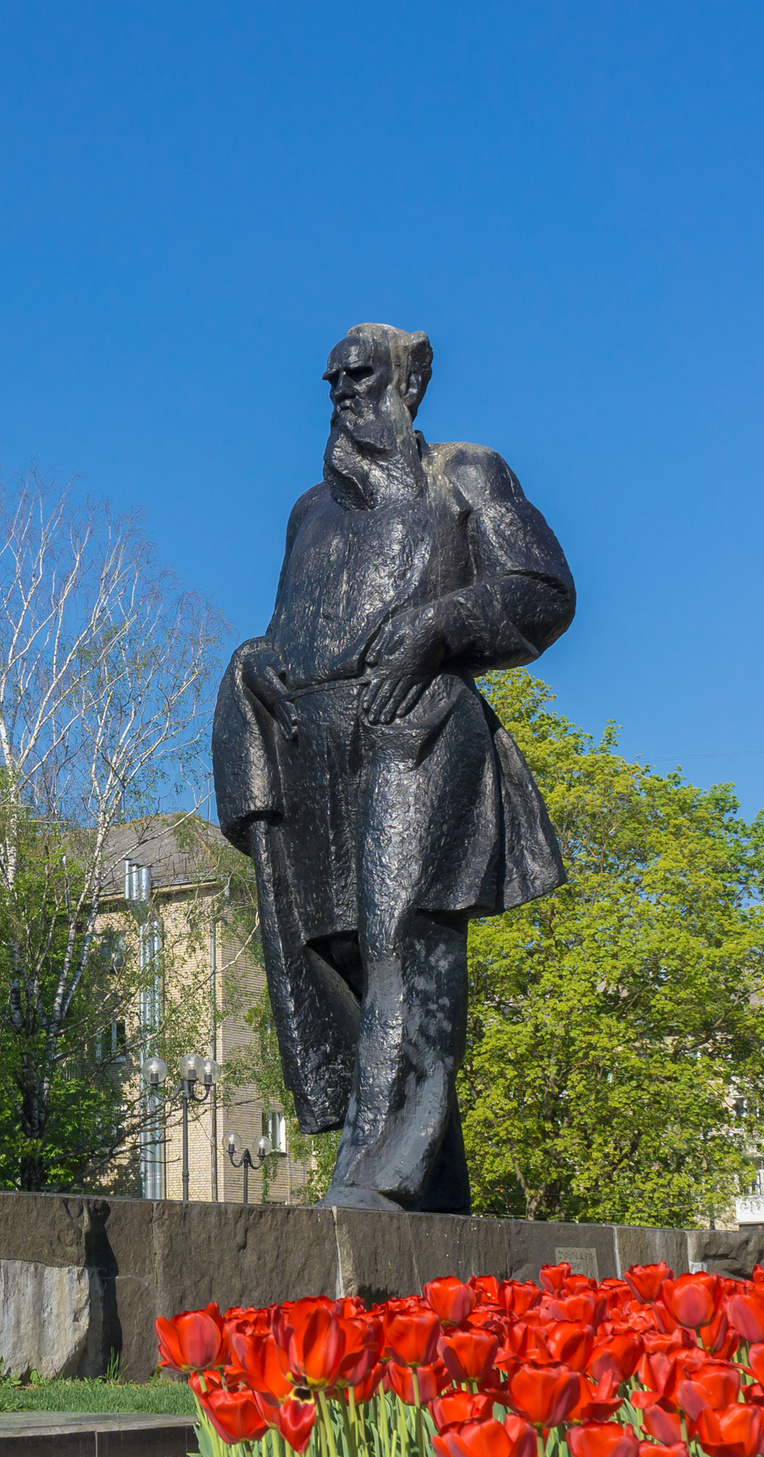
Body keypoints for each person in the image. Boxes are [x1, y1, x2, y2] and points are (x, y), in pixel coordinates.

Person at [211, 323, 576, 1212]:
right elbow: (294, 625)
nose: (343, 388)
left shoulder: (466, 474)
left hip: (418, 728)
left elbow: (543, 588)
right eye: (332, 377)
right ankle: (430, 1186)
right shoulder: (308, 512)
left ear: (409, 382)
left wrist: (443, 624)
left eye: (362, 372)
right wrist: (255, 661)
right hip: (313, 752)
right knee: (339, 953)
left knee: (400, 936)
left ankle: (374, 1176)